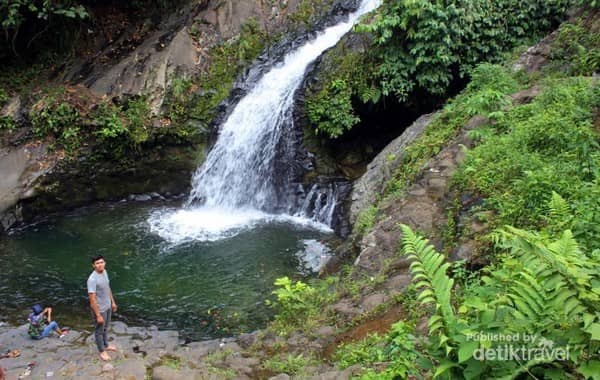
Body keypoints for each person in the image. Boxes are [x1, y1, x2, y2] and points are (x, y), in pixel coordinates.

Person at [87, 255, 118, 362]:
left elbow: (107, 288)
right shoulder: (92, 279)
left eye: (101, 262)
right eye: (97, 263)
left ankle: (106, 345)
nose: (100, 265)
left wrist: (113, 302)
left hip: (108, 306)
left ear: (105, 263)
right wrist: (98, 315)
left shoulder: (104, 272)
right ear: (93, 265)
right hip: (100, 309)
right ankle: (102, 351)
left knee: (105, 328)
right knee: (99, 331)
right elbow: (92, 299)